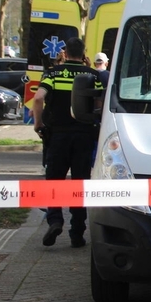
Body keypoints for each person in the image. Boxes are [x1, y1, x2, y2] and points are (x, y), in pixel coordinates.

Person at [32, 37, 103, 248]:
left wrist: (38, 124)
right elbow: (98, 104)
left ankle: (54, 220)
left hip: (57, 136)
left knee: (54, 180)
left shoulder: (53, 74)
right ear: (83, 53)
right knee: (80, 184)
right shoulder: (92, 75)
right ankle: (77, 233)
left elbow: (38, 98)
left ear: (65, 52)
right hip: (83, 135)